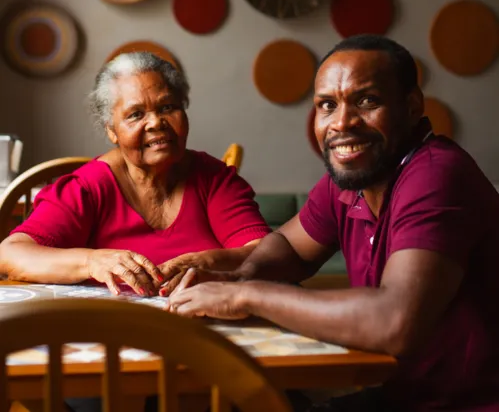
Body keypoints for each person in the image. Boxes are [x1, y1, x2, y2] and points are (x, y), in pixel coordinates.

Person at [165, 34, 499, 412]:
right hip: (403, 396)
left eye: (367, 101)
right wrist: (241, 277)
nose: (342, 122)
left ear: (411, 107)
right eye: (327, 105)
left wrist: (245, 296)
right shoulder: (353, 180)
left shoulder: (436, 175)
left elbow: (396, 322)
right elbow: (290, 246)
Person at [0, 52, 271, 296]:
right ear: (111, 130)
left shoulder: (213, 178)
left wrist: (206, 262)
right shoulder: (88, 187)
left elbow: (267, 254)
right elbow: (10, 254)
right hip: (111, 334)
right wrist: (91, 261)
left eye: (167, 107)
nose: (156, 123)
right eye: (136, 114)